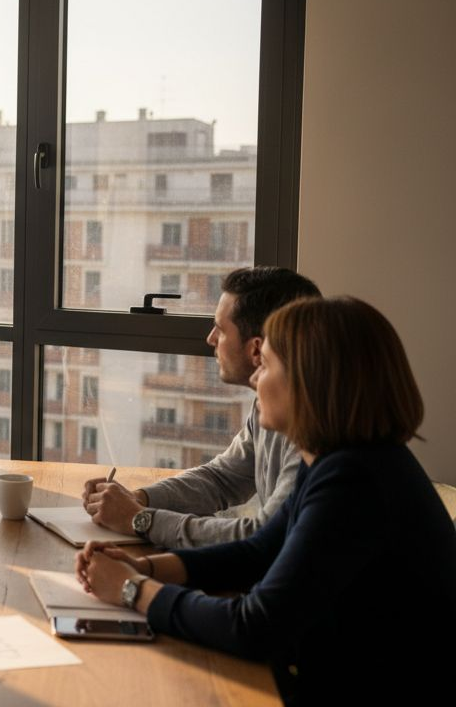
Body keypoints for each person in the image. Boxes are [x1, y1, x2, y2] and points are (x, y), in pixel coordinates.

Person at [75, 296, 456, 704]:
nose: (256, 376)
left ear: (309, 382)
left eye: (268, 364)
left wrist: (132, 590)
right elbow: (259, 552)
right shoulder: (337, 459)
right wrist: (146, 567)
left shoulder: (355, 481)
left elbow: (254, 627)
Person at [82, 267, 321, 547]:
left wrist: (139, 519)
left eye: (221, 329)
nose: (210, 339)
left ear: (256, 349)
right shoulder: (270, 403)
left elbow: (261, 538)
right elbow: (223, 478)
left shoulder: (316, 432)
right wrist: (139, 499)